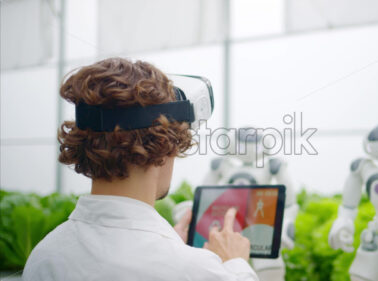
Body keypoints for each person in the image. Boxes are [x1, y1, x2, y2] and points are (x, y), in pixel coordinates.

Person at [22, 58, 258, 281]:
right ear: (167, 147)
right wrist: (235, 262)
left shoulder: (44, 256)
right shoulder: (193, 269)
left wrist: (169, 243)